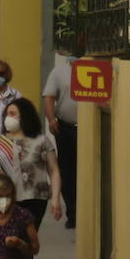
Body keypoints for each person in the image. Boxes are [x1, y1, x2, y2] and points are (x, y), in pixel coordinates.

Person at [0, 98, 61, 228]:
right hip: (5, 198)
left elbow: (54, 171)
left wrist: (56, 199)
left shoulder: (41, 141)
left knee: (28, 240)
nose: (8, 117)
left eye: (12, 114)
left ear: (24, 116)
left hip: (35, 198)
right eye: (7, 114)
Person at [42, 56, 78, 227]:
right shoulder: (59, 71)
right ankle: (73, 213)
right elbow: (49, 96)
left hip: (90, 128)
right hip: (66, 128)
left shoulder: (96, 67)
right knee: (67, 170)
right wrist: (51, 119)